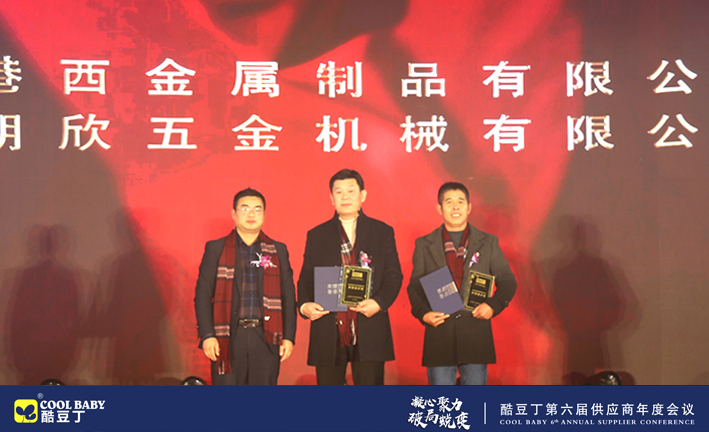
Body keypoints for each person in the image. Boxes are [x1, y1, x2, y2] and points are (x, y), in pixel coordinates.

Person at [298, 169, 403, 385]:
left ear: (362, 195)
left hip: (369, 324)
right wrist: (304, 306)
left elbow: (393, 275)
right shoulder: (317, 235)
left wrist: (379, 303)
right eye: (339, 192)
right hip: (328, 326)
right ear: (331, 198)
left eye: (351, 191)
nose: (345, 197)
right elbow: (306, 278)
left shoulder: (381, 231)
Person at [407, 182, 517, 385]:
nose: (455, 207)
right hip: (440, 332)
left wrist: (493, 305)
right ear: (439, 208)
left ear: (469, 207)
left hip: (475, 332)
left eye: (460, 202)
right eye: (449, 202)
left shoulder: (488, 242)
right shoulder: (424, 244)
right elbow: (415, 286)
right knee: (442, 403)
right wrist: (423, 313)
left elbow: (508, 281)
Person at [194, 188, 296, 385]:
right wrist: (208, 335)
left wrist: (289, 337)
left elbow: (288, 297)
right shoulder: (216, 248)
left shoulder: (277, 250)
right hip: (228, 337)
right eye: (245, 208)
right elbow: (203, 295)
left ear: (264, 214)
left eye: (257, 209)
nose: (251, 214)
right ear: (234, 214)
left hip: (266, 337)